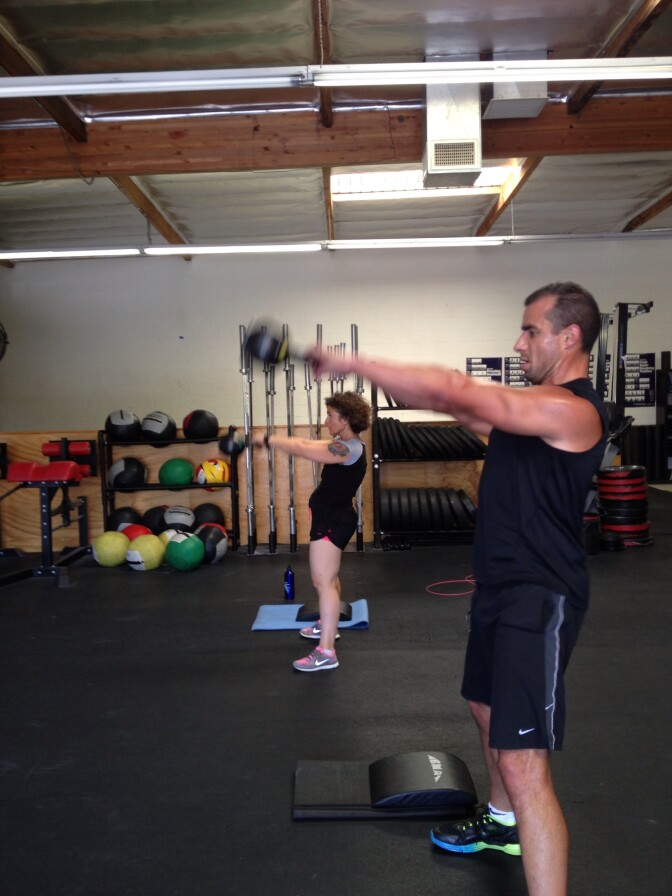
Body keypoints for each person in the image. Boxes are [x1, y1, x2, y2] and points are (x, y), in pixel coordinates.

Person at [308, 283, 608, 896]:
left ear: (568, 336)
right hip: (498, 588)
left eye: (530, 331)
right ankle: (500, 825)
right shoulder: (523, 410)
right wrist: (393, 383)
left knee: (525, 765)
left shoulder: (572, 410)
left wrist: (349, 363)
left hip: (540, 596)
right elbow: (456, 402)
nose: (519, 343)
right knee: (484, 709)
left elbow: (455, 387)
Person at [254, 390, 371, 672]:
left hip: (333, 520)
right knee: (329, 578)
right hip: (330, 516)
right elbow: (310, 446)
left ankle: (326, 652)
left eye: (331, 415)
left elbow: (307, 448)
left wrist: (271, 440)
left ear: (345, 419)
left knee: (323, 582)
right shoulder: (345, 445)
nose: (327, 420)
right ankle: (326, 626)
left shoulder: (348, 449)